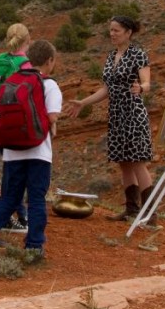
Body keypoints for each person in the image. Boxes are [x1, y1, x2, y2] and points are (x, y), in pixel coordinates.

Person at [0, 39, 61, 261]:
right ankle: (34, 246)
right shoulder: (49, 85)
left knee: (9, 197)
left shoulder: (11, 81)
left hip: (11, 151)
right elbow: (52, 117)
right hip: (38, 151)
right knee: (36, 198)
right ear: (50, 61)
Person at [66, 16, 154, 223]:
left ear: (128, 32)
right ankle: (132, 210)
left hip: (133, 114)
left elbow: (147, 83)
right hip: (116, 116)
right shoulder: (111, 56)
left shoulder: (138, 55)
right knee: (124, 163)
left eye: (116, 30)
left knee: (138, 162)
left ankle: (150, 215)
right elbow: (106, 88)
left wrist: (140, 88)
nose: (112, 34)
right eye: (111, 30)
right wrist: (84, 102)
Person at [0, 23, 33, 232]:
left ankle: (9, 213)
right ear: (27, 40)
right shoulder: (24, 64)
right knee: (13, 168)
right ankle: (19, 216)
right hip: (12, 119)